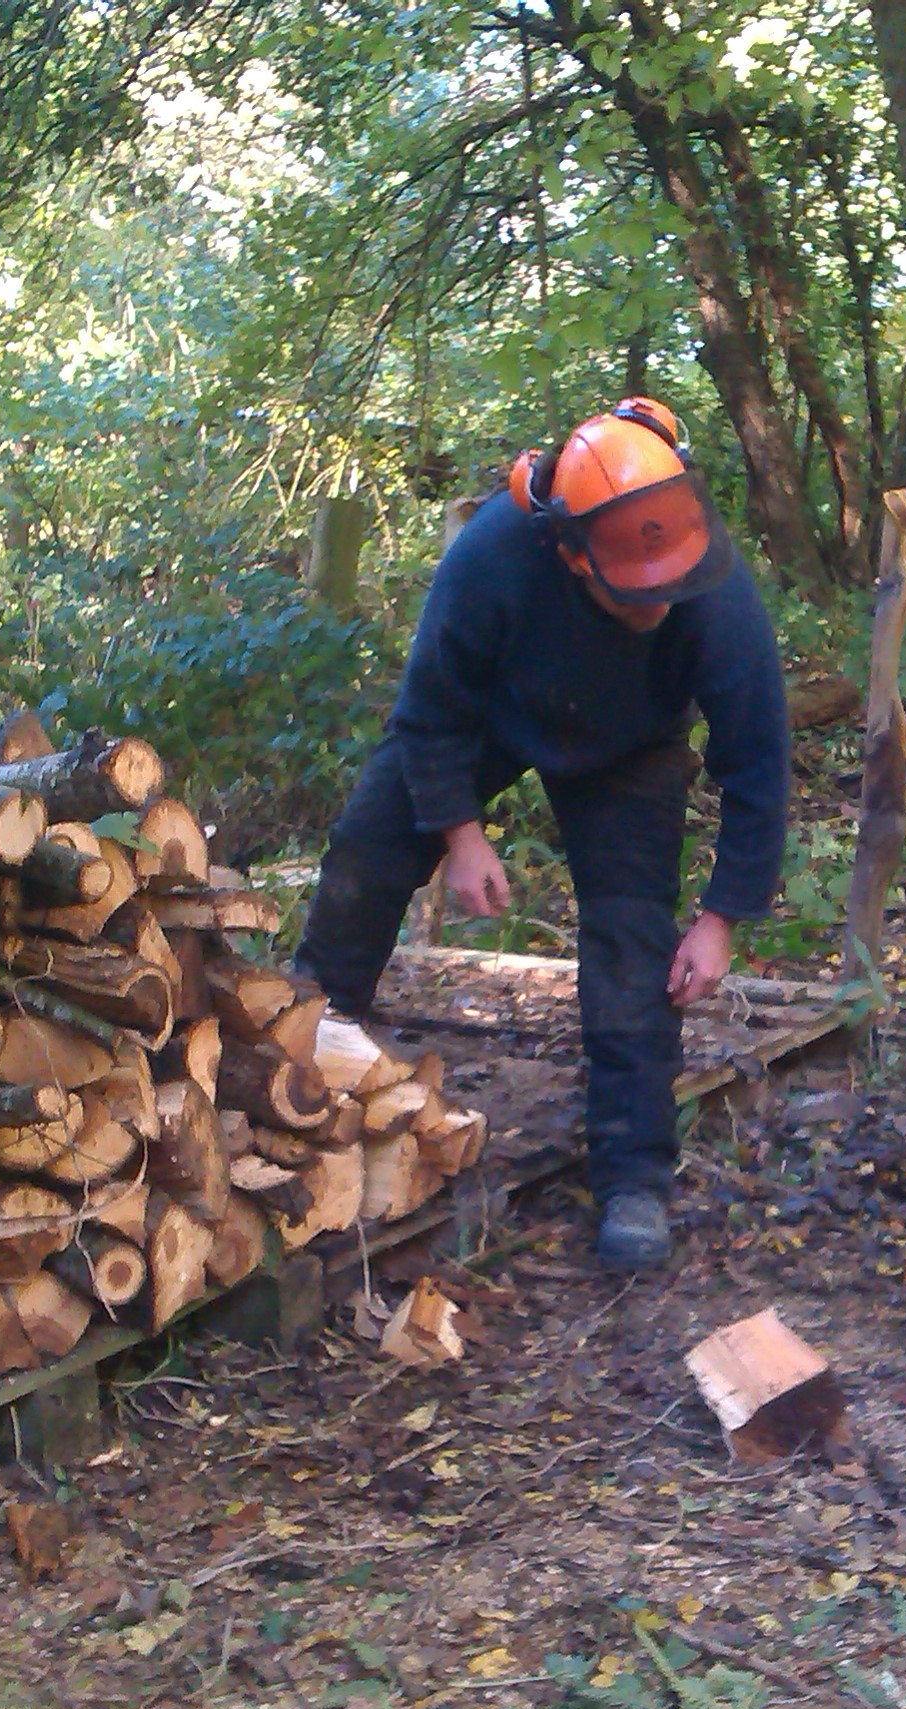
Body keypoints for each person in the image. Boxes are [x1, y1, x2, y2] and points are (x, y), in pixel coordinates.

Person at [293, 398, 790, 1271]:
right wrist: (459, 833)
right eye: (636, 597)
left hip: (631, 749)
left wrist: (722, 918)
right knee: (370, 848)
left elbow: (756, 758)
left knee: (632, 940)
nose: (659, 608)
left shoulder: (712, 588)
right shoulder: (494, 554)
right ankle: (305, 1049)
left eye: (670, 589)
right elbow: (430, 707)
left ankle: (633, 1177)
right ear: (572, 556)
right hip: (495, 713)